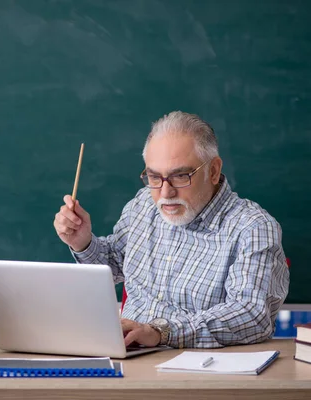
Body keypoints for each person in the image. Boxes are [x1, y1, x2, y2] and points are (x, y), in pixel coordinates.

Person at [53, 111, 290, 348]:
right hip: (128, 355)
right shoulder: (143, 205)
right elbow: (115, 265)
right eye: (154, 177)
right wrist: (83, 242)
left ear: (214, 171)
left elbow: (250, 315)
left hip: (199, 367)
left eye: (180, 176)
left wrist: (161, 332)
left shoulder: (253, 227)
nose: (165, 193)